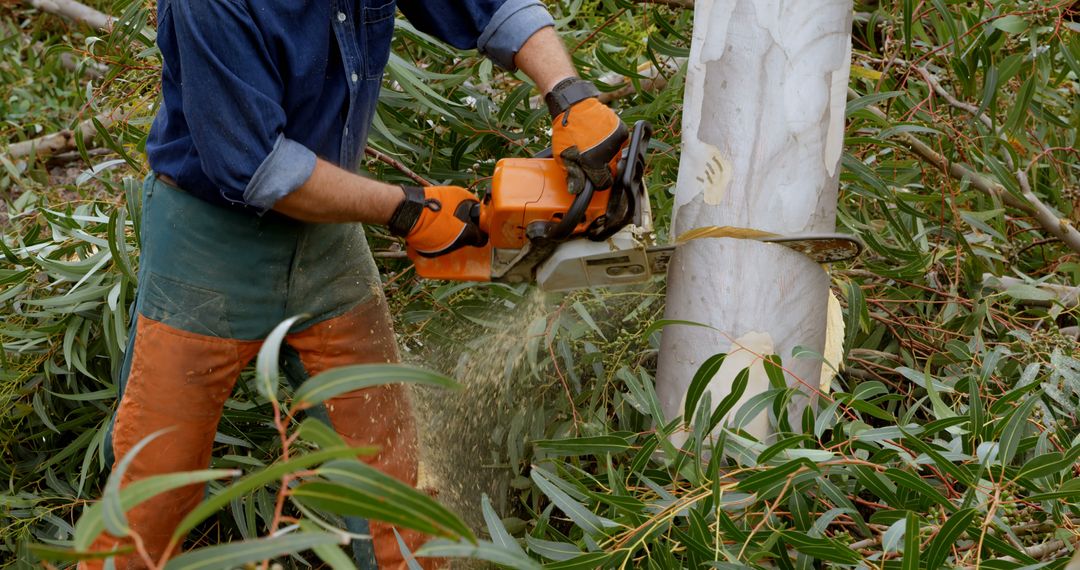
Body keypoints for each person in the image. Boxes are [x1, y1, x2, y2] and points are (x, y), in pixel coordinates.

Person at [81, 1, 627, 569]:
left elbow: (487, 7)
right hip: (207, 248)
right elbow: (255, 169)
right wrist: (409, 209)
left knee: (394, 482)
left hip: (327, 237)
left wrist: (568, 94)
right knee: (155, 485)